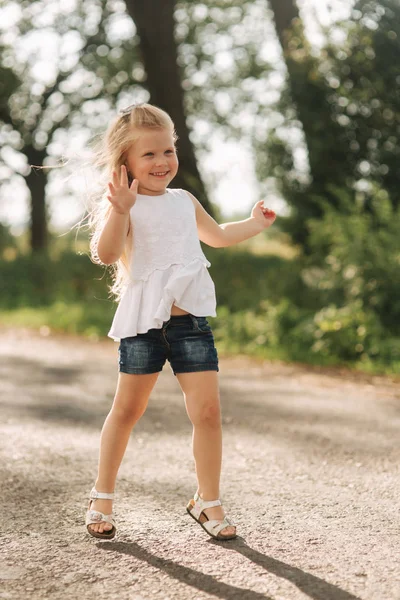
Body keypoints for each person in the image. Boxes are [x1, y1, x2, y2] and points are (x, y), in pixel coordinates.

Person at [85, 103, 276, 541]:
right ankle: (102, 497)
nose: (161, 162)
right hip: (143, 327)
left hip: (190, 325)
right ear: (126, 162)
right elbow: (108, 254)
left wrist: (253, 224)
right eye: (149, 155)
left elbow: (220, 237)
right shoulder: (125, 204)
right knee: (127, 411)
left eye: (167, 151)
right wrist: (120, 209)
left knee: (207, 413)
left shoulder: (183, 201)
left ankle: (208, 502)